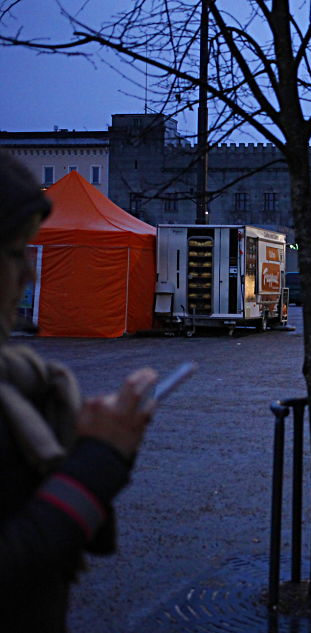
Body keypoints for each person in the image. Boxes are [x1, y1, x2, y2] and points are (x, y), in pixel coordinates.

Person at [0, 151, 159, 632]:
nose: (30, 276)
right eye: (15, 254)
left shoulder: (24, 382)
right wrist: (99, 460)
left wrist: (97, 447)